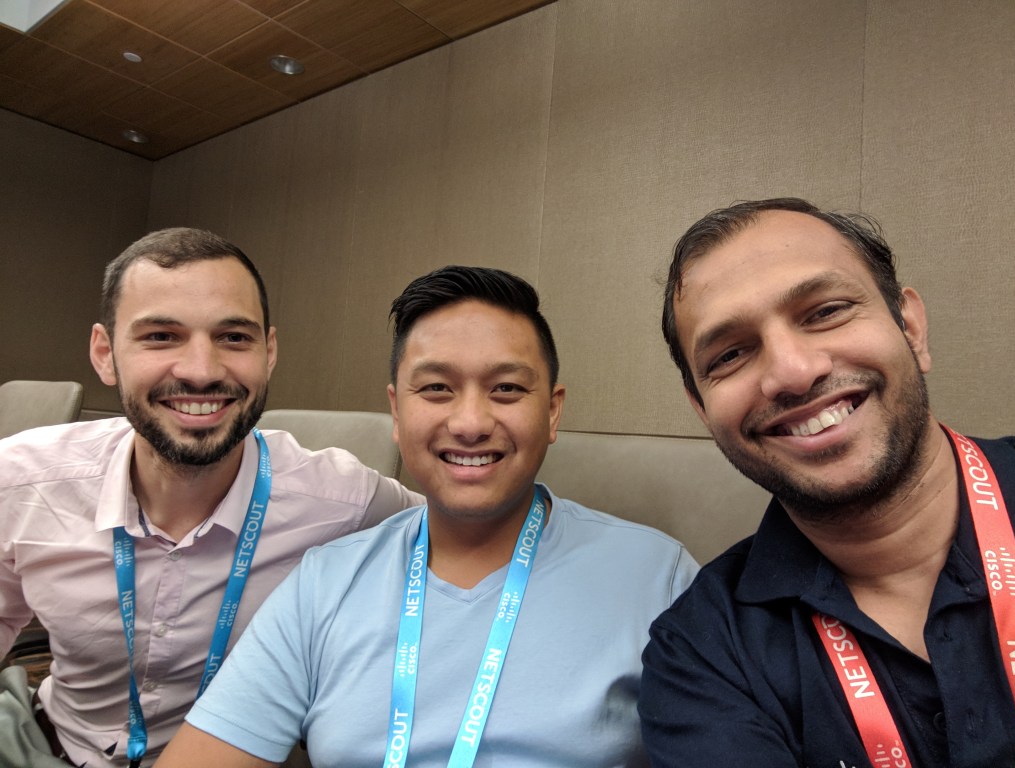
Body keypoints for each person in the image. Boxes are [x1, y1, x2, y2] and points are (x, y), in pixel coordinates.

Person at [155, 265, 699, 768]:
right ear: (396, 411)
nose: (469, 423)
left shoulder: (657, 577)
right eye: (437, 388)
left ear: (552, 411)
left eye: (506, 389)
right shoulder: (324, 584)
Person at [0, 228, 423, 767]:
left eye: (234, 338)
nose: (201, 370)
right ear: (105, 354)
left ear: (269, 352)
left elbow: (472, 538)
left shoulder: (345, 500)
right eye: (161, 336)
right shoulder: (21, 482)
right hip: (49, 744)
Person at [639, 197, 1015, 767]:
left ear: (911, 328)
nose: (793, 373)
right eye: (731, 354)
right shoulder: (700, 654)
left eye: (825, 311)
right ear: (702, 409)